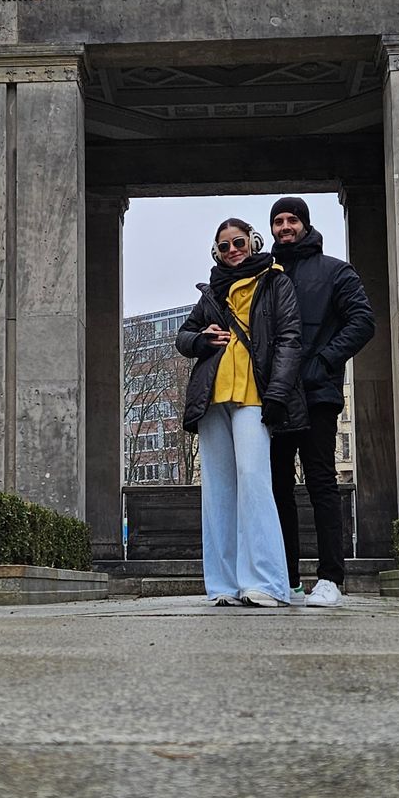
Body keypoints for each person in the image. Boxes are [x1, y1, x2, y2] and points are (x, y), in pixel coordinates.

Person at [176, 217, 309, 608]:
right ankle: (223, 585)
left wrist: (279, 392)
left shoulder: (275, 281)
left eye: (238, 242)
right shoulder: (211, 293)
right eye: (224, 246)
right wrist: (201, 340)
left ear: (253, 242)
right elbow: (183, 337)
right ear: (216, 252)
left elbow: (290, 340)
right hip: (212, 396)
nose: (232, 250)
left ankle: (267, 582)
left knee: (253, 479)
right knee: (218, 490)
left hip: (254, 393)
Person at [268, 196, 375, 609]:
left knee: (321, 483)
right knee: (277, 488)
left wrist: (325, 361)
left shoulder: (335, 271)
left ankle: (330, 578)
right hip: (275, 397)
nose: (285, 227)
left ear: (305, 224)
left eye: (292, 220)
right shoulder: (267, 274)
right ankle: (288, 580)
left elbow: (362, 322)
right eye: (278, 221)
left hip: (317, 393)